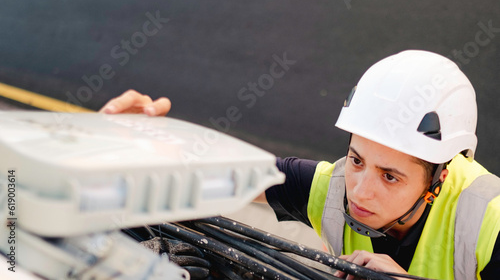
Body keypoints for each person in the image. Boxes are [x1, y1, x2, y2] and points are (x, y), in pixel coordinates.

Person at [100, 50, 500, 280]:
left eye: (390, 176)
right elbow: (233, 173)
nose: (358, 191)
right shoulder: (335, 188)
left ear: (439, 179)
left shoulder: (488, 219)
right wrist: (142, 144)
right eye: (357, 159)